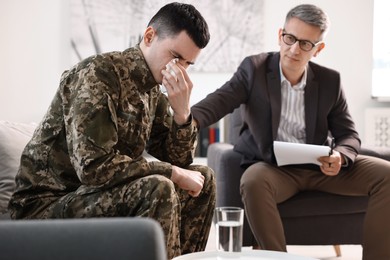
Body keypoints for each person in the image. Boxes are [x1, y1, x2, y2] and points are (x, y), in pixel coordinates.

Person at [8, 2, 216, 259]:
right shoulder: (98, 73)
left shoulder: (152, 89)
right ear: (149, 36)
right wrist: (172, 173)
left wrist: (183, 115)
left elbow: (180, 161)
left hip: (91, 196)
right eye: (175, 57)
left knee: (203, 179)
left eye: (187, 64)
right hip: (45, 206)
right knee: (158, 188)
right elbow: (94, 168)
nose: (179, 70)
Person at [191, 4, 390, 260]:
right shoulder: (255, 69)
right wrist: (185, 117)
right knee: (253, 180)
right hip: (273, 170)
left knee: (386, 175)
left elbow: (348, 134)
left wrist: (340, 155)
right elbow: (219, 101)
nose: (294, 49)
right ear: (280, 35)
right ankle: (278, 257)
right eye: (290, 38)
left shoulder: (330, 81)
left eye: (306, 44)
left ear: (318, 49)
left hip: (320, 168)